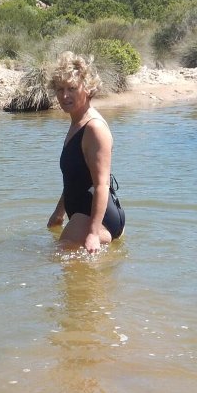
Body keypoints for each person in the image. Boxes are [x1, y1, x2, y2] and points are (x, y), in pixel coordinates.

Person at [46, 51, 125, 253]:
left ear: (88, 89)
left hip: (96, 218)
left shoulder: (94, 128)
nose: (64, 96)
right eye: (60, 89)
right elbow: (76, 177)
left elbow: (102, 185)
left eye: (72, 88)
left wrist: (92, 233)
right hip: (83, 214)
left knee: (56, 262)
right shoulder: (76, 124)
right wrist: (59, 212)